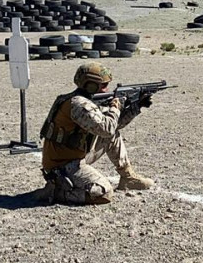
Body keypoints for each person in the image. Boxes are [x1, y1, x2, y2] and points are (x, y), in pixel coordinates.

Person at [38, 62, 154, 205]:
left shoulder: (86, 100)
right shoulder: (79, 104)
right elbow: (106, 128)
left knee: (112, 135)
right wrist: (115, 107)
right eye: (103, 85)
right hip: (62, 166)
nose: (107, 89)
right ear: (90, 85)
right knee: (103, 193)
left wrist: (136, 107)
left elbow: (114, 126)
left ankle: (127, 177)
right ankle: (56, 191)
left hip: (75, 157)